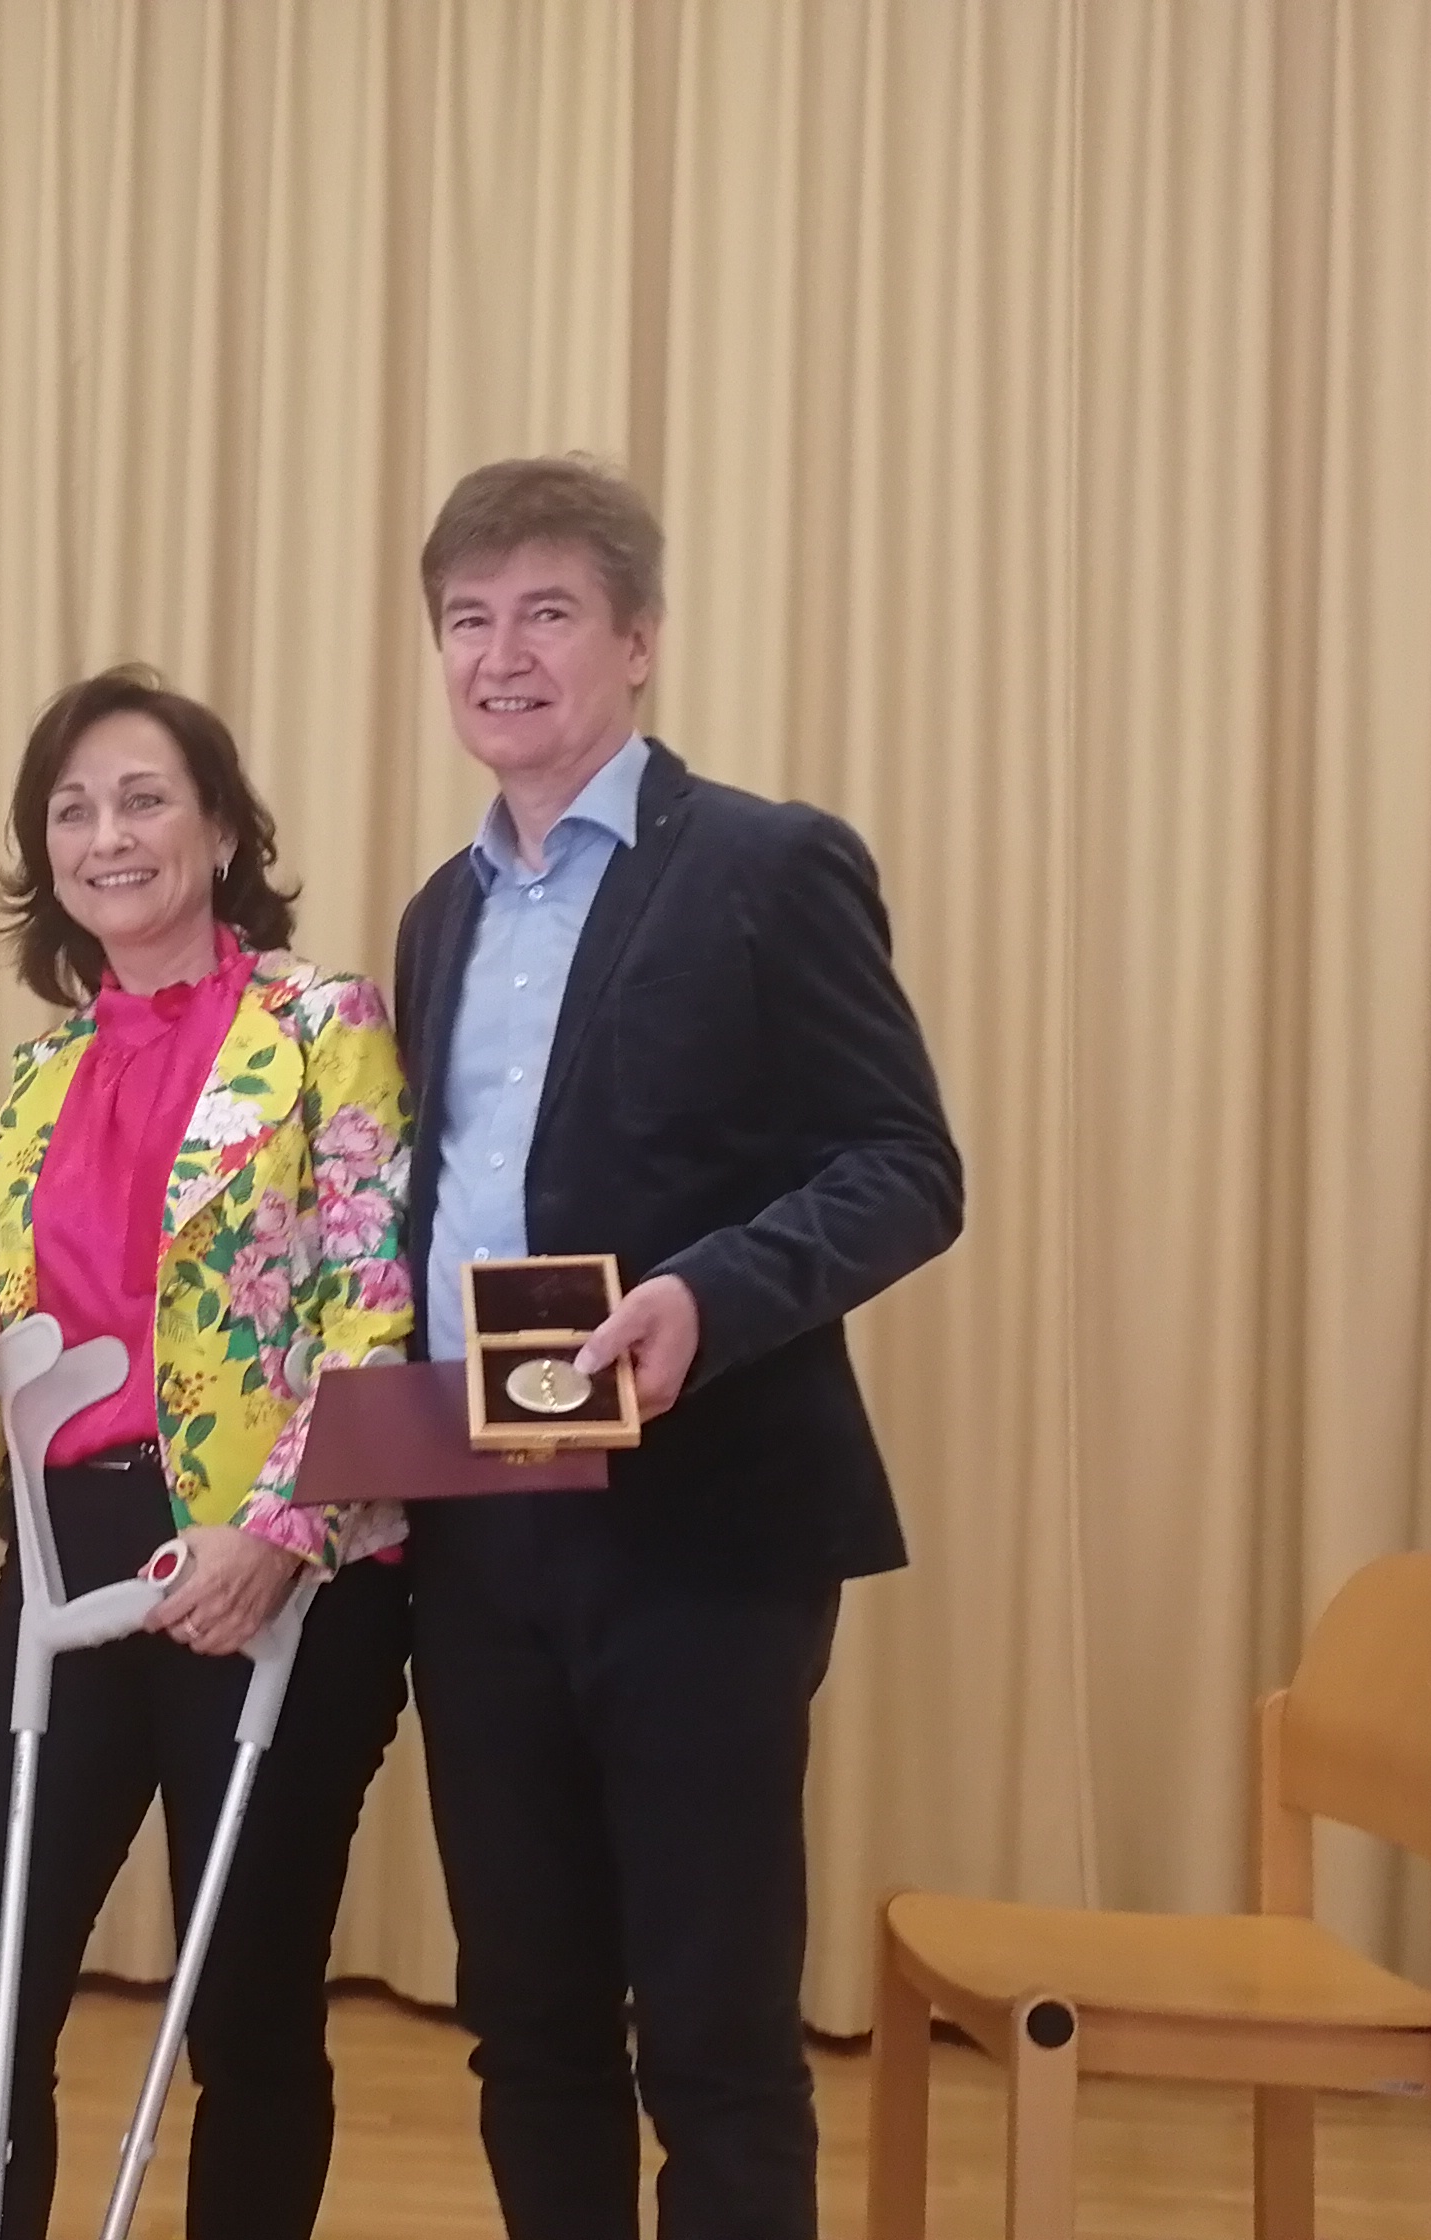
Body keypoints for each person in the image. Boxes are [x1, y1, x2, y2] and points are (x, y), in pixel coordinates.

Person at [388, 458, 962, 2240]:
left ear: (637, 640)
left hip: (703, 1531)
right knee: (531, 2022)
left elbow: (904, 1169)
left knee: (712, 2032)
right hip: (479, 1529)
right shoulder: (438, 914)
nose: (506, 657)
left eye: (548, 612)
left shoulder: (769, 866)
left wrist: (709, 1299)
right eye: (470, 621)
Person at [0, 666, 416, 2240]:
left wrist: (281, 1534)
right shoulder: (42, 1075)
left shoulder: (322, 1026)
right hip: (80, 1555)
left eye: (141, 799)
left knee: (247, 2013)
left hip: (280, 1564)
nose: (104, 834)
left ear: (218, 828)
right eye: (70, 809)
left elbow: (372, 1303)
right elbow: (98, 1316)